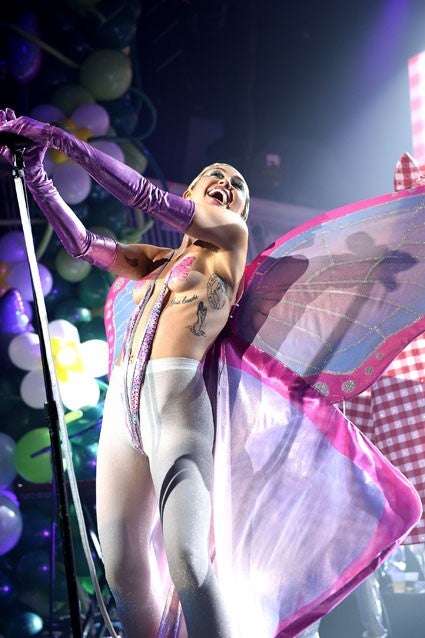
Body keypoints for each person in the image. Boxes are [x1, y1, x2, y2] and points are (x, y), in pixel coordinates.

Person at [0, 108, 249, 637]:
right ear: (194, 188)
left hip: (178, 406)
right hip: (122, 411)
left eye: (237, 186)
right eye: (216, 176)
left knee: (187, 560)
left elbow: (147, 197)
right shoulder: (155, 261)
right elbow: (82, 245)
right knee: (124, 574)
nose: (227, 185)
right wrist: (38, 175)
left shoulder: (230, 238)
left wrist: (60, 138)